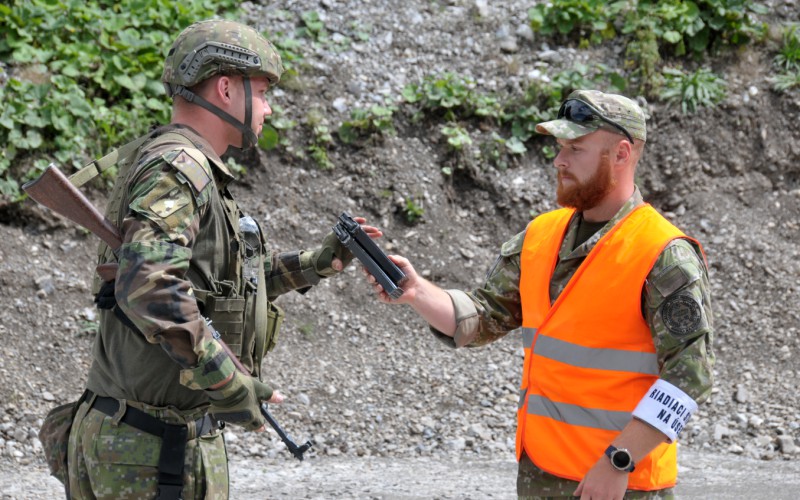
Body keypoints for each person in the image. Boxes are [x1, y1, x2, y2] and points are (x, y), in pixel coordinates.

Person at [62, 19, 380, 499]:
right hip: (148, 449)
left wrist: (320, 262)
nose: (269, 108)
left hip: (150, 441)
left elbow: (225, 284)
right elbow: (151, 286)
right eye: (264, 91)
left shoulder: (183, 164)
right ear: (226, 88)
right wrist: (230, 384)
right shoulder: (179, 169)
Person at [364, 90, 714, 499]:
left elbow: (691, 376)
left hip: (621, 486)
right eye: (560, 147)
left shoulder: (664, 254)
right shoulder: (542, 236)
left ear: (621, 154)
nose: (559, 161)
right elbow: (483, 316)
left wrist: (619, 460)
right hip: (540, 476)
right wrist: (416, 291)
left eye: (576, 149)